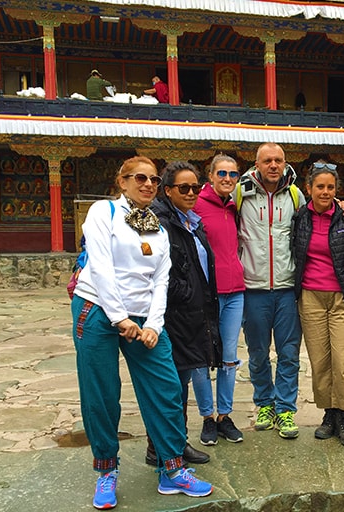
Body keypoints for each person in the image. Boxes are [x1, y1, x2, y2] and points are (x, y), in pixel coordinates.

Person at [71, 156, 212, 509]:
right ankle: (106, 471)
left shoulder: (159, 228)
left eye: (152, 179)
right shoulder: (103, 214)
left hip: (143, 317)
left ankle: (172, 469)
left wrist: (153, 324)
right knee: (101, 393)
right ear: (122, 181)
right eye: (139, 178)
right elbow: (101, 267)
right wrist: (120, 318)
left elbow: (160, 280)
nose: (147, 184)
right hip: (98, 310)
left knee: (165, 388)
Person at [148, 160, 221, 467]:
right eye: (184, 188)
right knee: (170, 385)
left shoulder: (190, 221)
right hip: (174, 315)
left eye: (196, 187)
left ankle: (171, 444)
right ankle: (166, 448)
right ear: (168, 191)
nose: (192, 192)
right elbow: (159, 270)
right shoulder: (162, 223)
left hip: (192, 313)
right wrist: (186, 293)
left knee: (181, 381)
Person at [237, 142, 305, 439]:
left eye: (278, 160)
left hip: (288, 288)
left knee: (289, 353)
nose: (273, 165)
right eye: (267, 161)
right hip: (253, 288)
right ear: (257, 164)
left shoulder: (295, 194)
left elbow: (313, 221)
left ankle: (286, 409)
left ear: (285, 162)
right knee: (258, 353)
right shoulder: (241, 193)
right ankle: (264, 402)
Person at [292, 160, 344, 447]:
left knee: (343, 360)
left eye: (330, 187)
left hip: (341, 295)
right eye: (319, 186)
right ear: (309, 188)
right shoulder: (299, 217)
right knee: (320, 361)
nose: (325, 191)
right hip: (310, 296)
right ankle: (328, 414)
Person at [193, 154, 246, 445]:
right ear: (210, 175)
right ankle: (207, 417)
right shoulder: (197, 205)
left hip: (235, 291)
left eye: (233, 174)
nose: (228, 178)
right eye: (222, 173)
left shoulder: (234, 206)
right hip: (205, 296)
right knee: (202, 358)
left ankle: (225, 415)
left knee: (228, 357)